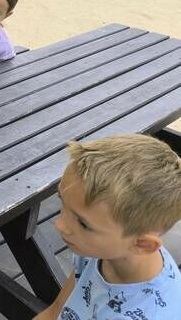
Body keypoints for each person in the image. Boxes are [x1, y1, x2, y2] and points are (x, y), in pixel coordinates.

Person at [35, 134, 181, 319]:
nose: (60, 225)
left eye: (83, 224)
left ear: (142, 244)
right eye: (61, 200)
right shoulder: (99, 252)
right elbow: (56, 310)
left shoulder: (151, 313)